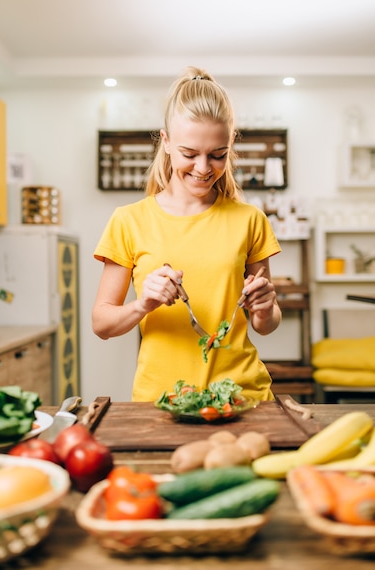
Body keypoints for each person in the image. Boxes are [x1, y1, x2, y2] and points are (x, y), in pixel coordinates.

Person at [92, 66, 282, 402]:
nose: (204, 168)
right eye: (189, 154)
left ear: (230, 145)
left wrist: (265, 308)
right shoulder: (129, 221)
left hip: (242, 397)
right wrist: (143, 305)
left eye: (217, 155)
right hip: (162, 401)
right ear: (165, 142)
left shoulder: (251, 220)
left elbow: (264, 325)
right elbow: (102, 323)